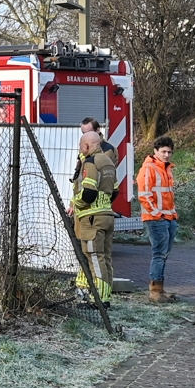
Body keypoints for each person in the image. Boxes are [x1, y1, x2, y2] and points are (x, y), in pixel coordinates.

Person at [70, 127, 118, 302]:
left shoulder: (90, 163)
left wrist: (77, 204)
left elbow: (89, 192)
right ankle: (104, 294)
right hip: (106, 216)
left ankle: (99, 298)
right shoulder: (108, 162)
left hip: (92, 218)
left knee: (95, 258)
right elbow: (115, 191)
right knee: (105, 257)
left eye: (81, 145)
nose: (80, 148)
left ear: (87, 145)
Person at [135, 137, 178, 302]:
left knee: (163, 254)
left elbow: (167, 195)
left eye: (169, 152)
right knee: (159, 254)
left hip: (167, 216)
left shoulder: (166, 168)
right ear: (155, 151)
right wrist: (157, 214)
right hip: (156, 218)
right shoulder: (149, 168)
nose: (167, 155)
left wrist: (172, 214)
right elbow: (144, 195)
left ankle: (158, 289)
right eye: (163, 152)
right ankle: (155, 292)